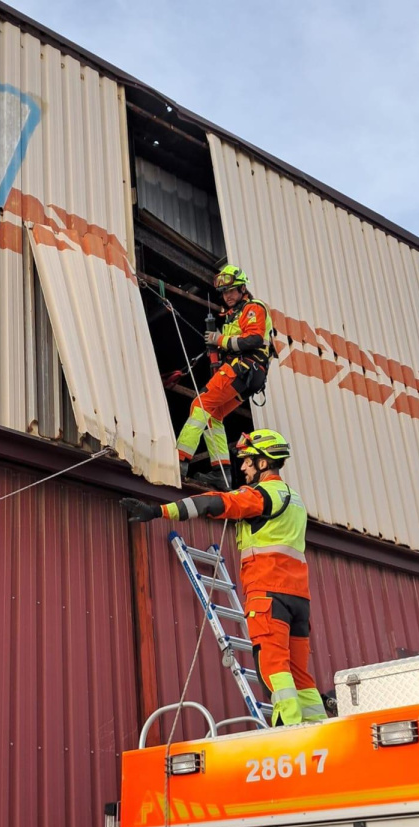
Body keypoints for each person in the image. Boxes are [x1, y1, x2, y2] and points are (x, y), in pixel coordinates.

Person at [121, 429, 327, 727]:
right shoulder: (294, 499)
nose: (242, 467)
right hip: (298, 600)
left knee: (273, 668)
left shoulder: (261, 495)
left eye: (247, 461)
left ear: (263, 462)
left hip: (268, 595)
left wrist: (158, 510)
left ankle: (289, 730)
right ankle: (318, 728)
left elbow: (212, 503)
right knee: (299, 674)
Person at [176, 265, 273, 491]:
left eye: (231, 290)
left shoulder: (253, 308)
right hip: (249, 376)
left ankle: (180, 460)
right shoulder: (233, 316)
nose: (227, 296)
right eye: (224, 292)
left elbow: (254, 340)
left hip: (243, 369)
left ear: (242, 289)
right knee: (214, 416)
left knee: (200, 404)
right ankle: (222, 473)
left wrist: (219, 340)